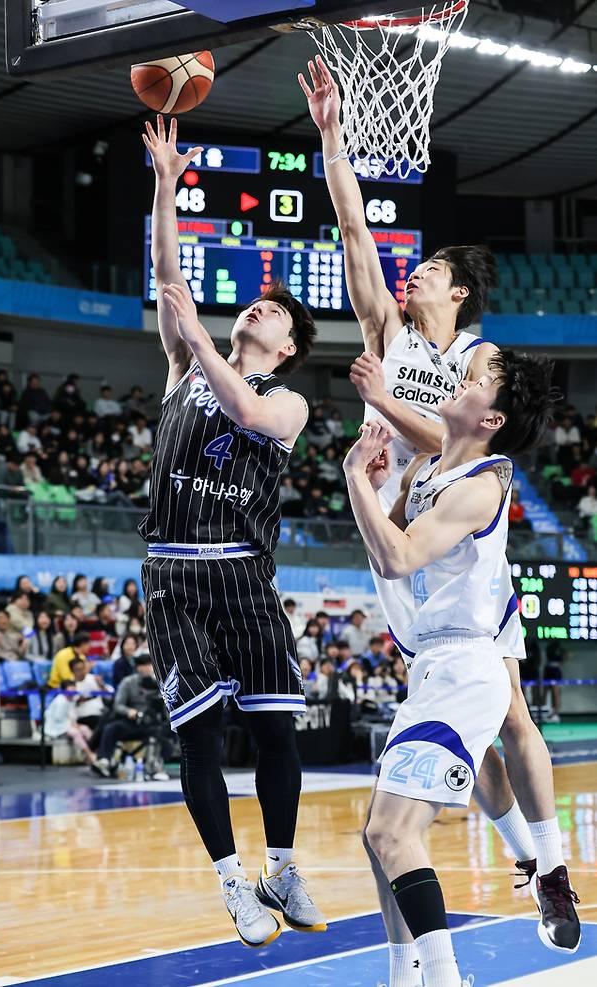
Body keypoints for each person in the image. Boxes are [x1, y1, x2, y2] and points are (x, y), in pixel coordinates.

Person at [302, 52, 575, 970]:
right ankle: (457, 913)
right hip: (401, 522)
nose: (410, 272)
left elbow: (451, 434)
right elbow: (348, 224)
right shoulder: (387, 327)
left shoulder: (478, 362)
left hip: (453, 536)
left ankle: (549, 864)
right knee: (458, 721)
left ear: (458, 293)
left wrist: (386, 405)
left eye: (427, 269)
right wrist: (334, 140)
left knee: (509, 713)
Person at [140, 114, 323, 948]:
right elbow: (170, 273)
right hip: (174, 571)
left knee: (278, 728)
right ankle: (233, 883)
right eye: (259, 302)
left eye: (275, 313)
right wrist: (165, 183)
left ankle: (281, 863)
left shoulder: (286, 400)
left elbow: (245, 408)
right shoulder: (184, 366)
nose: (262, 307)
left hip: (245, 572)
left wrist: (207, 341)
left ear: (284, 348)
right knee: (202, 734)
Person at [342, 351, 579, 986]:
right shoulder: (425, 467)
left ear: (493, 415)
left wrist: (354, 480)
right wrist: (377, 482)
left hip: (469, 664)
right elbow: (383, 544)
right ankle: (405, 973)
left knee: (395, 833)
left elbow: (398, 560)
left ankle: (448, 970)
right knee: (379, 837)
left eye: (474, 383)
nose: (458, 384)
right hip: (431, 667)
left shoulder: (482, 483)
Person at [93, 654, 166, 777]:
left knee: (165, 731)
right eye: (143, 665)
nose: (147, 668)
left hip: (153, 724)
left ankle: (156, 765)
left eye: (149, 665)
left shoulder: (159, 683)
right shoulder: (128, 682)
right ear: (137, 667)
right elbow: (118, 705)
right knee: (111, 728)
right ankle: (104, 761)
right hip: (132, 722)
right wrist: (129, 712)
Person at [43, 678, 98, 767]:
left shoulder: (72, 699)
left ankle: (97, 753)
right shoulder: (60, 701)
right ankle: (89, 755)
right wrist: (73, 725)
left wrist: (75, 724)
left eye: (74, 690)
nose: (73, 693)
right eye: (70, 691)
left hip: (68, 724)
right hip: (56, 727)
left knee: (86, 729)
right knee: (76, 733)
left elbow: (72, 715)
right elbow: (58, 718)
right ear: (64, 691)